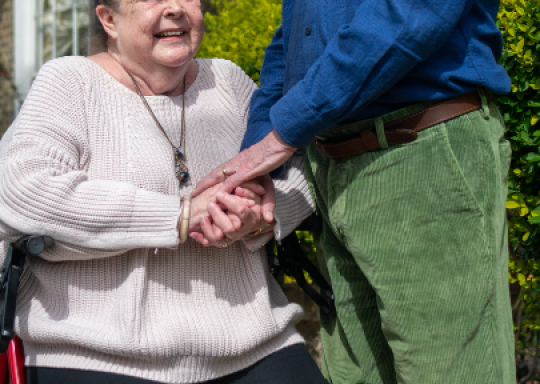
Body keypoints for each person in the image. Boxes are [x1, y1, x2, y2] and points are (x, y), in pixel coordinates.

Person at [0, 0, 327, 383]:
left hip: (255, 344)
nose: (174, 8)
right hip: (94, 355)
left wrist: (258, 219)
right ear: (108, 19)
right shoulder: (71, 82)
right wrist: (182, 215)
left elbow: (300, 168)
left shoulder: (226, 80)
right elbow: (20, 191)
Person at [193, 1, 516, 383]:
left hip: (418, 151)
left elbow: (410, 14)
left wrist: (281, 136)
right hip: (332, 162)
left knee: (449, 372)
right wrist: (259, 159)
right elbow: (294, 39)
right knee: (353, 374)